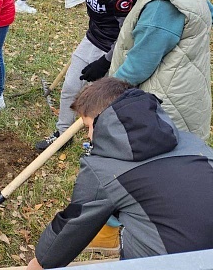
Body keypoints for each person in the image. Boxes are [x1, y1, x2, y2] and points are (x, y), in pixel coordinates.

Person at [26, 77, 213, 269]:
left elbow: (73, 225)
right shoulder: (192, 142)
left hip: (171, 262)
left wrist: (41, 260)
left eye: (88, 126)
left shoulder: (103, 168)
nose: (89, 136)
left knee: (128, 234)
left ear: (105, 120)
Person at [106, 0, 213, 140]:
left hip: (168, 104)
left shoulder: (162, 6)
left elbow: (139, 63)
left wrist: (109, 91)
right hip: (186, 91)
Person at [33, 0, 136, 151]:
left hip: (114, 49)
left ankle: (98, 142)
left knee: (101, 100)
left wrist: (105, 61)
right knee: (71, 86)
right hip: (93, 39)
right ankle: (62, 134)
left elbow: (127, 33)